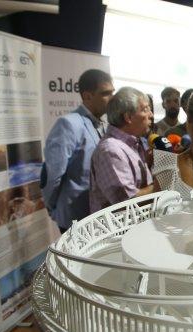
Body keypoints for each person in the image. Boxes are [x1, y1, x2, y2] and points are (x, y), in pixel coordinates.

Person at [41, 69, 114, 232]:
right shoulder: (68, 124)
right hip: (75, 217)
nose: (112, 99)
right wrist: (53, 207)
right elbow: (53, 174)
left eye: (112, 93)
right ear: (87, 96)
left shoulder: (104, 124)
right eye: (105, 94)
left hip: (98, 217)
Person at [90, 87, 154, 212]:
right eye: (145, 109)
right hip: (122, 230)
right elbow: (127, 204)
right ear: (128, 117)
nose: (151, 115)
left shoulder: (135, 143)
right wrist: (161, 183)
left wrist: (150, 162)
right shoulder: (110, 151)